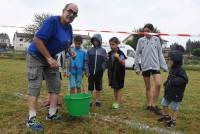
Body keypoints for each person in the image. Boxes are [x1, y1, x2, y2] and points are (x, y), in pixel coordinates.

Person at [26, 3, 78, 131]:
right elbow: (37, 40)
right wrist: (49, 58)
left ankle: (52, 114)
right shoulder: (52, 21)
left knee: (55, 85)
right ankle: (31, 119)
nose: (71, 15)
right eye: (70, 11)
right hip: (36, 55)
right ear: (63, 10)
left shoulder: (69, 28)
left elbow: (67, 43)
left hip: (51, 57)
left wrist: (70, 51)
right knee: (35, 85)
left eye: (74, 14)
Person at [134, 23, 168, 115]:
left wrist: (164, 66)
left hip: (155, 66)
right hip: (145, 67)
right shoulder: (141, 40)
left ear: (152, 31)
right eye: (144, 31)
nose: (146, 33)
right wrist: (137, 67)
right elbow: (137, 54)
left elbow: (160, 53)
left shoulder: (156, 39)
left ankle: (154, 105)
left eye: (148, 31)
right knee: (148, 87)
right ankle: (149, 105)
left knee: (158, 84)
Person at [158, 51, 188, 127]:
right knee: (164, 103)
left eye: (170, 59)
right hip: (169, 92)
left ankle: (173, 121)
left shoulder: (181, 70)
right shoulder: (172, 69)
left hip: (176, 93)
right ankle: (166, 117)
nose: (169, 61)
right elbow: (169, 78)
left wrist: (174, 81)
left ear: (176, 61)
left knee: (174, 107)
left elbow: (184, 79)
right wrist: (166, 82)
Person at [86, 33, 107, 107]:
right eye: (94, 40)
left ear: (100, 41)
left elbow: (105, 61)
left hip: (99, 73)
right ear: (92, 41)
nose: (95, 42)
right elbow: (87, 62)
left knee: (98, 87)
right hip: (91, 73)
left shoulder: (103, 51)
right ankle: (90, 100)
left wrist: (102, 69)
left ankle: (98, 100)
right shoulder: (89, 51)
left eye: (97, 40)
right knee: (90, 87)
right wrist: (87, 71)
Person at [107, 37, 126, 109]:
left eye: (113, 44)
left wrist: (118, 58)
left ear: (117, 44)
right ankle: (116, 101)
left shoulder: (121, 53)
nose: (111, 46)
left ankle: (117, 102)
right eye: (110, 44)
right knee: (114, 88)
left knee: (118, 88)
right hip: (113, 74)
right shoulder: (110, 53)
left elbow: (123, 63)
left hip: (119, 74)